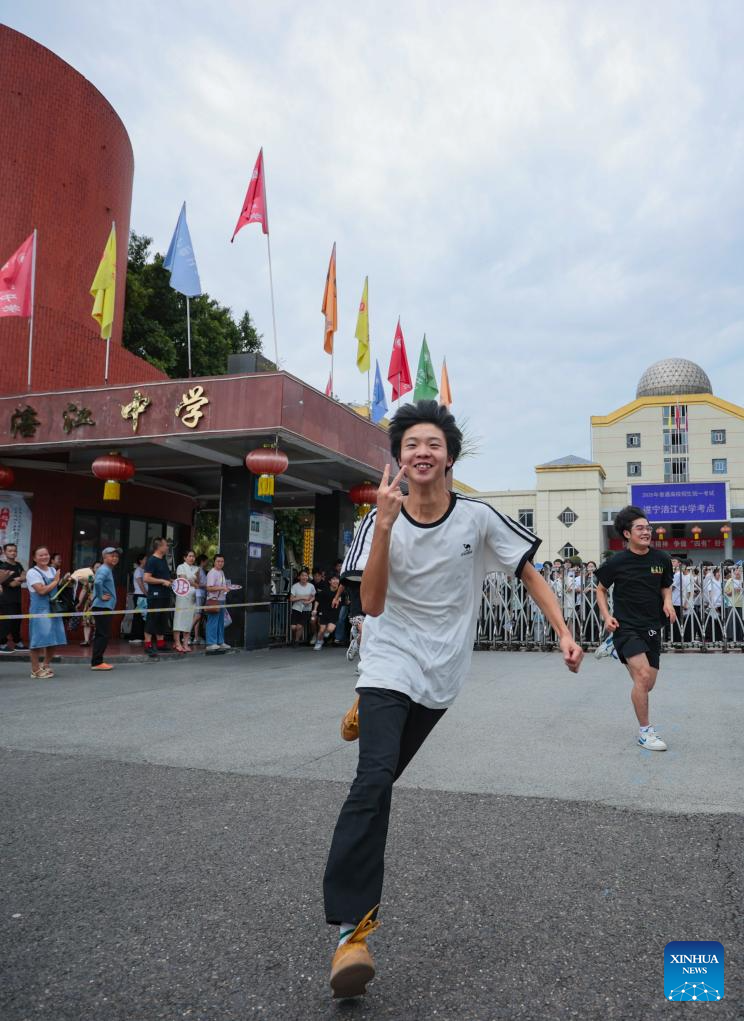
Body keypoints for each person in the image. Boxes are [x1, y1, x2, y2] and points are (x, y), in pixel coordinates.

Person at [323, 400, 583, 1000]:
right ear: (399, 457)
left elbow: (528, 572)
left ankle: (370, 714)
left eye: (433, 444)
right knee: (373, 781)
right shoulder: (376, 520)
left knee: (383, 773)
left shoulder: (477, 517)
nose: (422, 452)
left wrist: (563, 631)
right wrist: (383, 526)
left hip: (442, 673)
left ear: (449, 458)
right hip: (388, 659)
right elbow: (371, 605)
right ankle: (351, 932)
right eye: (411, 444)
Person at [595, 506, 675, 752]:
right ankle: (645, 733)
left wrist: (668, 601)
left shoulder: (661, 559)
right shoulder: (616, 562)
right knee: (641, 677)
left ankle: (614, 649)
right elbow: (600, 589)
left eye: (648, 527)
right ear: (627, 534)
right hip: (626, 626)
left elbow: (666, 586)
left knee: (648, 684)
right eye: (640, 528)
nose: (646, 532)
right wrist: (607, 616)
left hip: (652, 626)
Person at [26, 546, 68, 678]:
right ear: (34, 558)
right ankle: (35, 670)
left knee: (53, 638)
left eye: (46, 554)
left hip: (53, 608)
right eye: (41, 555)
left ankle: (45, 664)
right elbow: (41, 590)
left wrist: (65, 581)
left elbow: (55, 587)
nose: (44, 557)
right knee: (37, 640)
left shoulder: (52, 569)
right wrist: (56, 581)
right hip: (40, 609)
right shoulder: (32, 572)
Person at [90, 546, 119, 670]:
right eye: (112, 555)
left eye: (116, 556)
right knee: (103, 634)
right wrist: (100, 595)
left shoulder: (106, 569)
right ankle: (97, 662)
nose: (115, 558)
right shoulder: (104, 569)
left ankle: (97, 661)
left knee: (101, 634)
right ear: (104, 557)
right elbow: (97, 582)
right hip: (102, 606)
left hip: (103, 606)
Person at [143, 537, 172, 659]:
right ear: (159, 547)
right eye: (165, 545)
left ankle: (160, 643)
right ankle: (148, 645)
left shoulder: (163, 560)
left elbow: (164, 577)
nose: (167, 547)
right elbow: (146, 578)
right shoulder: (152, 560)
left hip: (165, 594)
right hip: (155, 595)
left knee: (162, 619)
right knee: (152, 618)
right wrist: (162, 581)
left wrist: (171, 581)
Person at [0, 542, 26, 652]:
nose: (13, 553)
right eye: (10, 551)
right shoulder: (3, 567)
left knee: (17, 621)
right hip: (6, 599)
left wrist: (19, 578)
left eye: (14, 551)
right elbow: (12, 584)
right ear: (5, 552)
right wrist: (20, 579)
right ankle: (1, 644)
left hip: (17, 599)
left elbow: (25, 575)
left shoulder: (18, 565)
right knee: (7, 622)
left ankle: (18, 642)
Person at [173, 550, 199, 652]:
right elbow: (184, 580)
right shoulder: (181, 567)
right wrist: (194, 583)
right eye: (189, 556)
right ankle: (177, 643)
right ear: (185, 557)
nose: (192, 558)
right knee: (179, 619)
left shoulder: (196, 568)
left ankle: (185, 643)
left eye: (193, 556)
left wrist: (194, 583)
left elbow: (198, 582)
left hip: (192, 596)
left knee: (188, 621)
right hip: (182, 596)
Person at [205, 553, 231, 652]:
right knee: (213, 622)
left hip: (221, 599)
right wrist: (222, 588)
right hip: (214, 600)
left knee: (220, 622)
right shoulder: (212, 573)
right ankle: (211, 643)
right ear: (214, 562)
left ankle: (220, 642)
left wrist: (226, 588)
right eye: (218, 561)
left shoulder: (221, 572)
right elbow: (209, 588)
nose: (220, 563)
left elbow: (222, 586)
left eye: (222, 561)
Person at [313, 575, 341, 649]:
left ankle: (325, 634)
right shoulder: (324, 591)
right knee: (322, 630)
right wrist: (315, 609)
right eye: (333, 579)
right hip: (324, 612)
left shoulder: (341, 592)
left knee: (330, 629)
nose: (335, 581)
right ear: (329, 581)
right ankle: (319, 642)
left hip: (334, 614)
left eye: (337, 579)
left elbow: (346, 602)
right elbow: (317, 600)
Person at [76, 562, 101, 647]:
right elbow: (84, 590)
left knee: (99, 622)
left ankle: (98, 640)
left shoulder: (104, 577)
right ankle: (86, 640)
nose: (98, 569)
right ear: (93, 569)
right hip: (89, 602)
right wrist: (79, 602)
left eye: (100, 567)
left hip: (100, 602)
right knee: (87, 621)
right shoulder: (90, 578)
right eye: (97, 567)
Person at [290, 569, 315, 644]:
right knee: (293, 627)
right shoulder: (295, 586)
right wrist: (302, 597)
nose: (304, 577)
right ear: (299, 577)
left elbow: (313, 597)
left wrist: (309, 601)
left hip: (307, 609)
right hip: (296, 608)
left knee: (300, 626)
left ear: (308, 577)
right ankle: (294, 637)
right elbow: (291, 599)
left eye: (306, 576)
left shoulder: (311, 586)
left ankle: (296, 641)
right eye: (302, 575)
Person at [129, 553, 148, 644]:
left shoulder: (145, 570)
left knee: (144, 617)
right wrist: (146, 594)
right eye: (145, 559)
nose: (147, 561)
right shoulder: (138, 571)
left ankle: (141, 635)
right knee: (138, 616)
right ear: (140, 560)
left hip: (144, 595)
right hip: (140, 595)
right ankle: (135, 637)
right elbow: (141, 584)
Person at [191, 554, 209, 646]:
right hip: (199, 594)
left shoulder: (202, 570)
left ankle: (196, 637)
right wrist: (206, 586)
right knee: (198, 615)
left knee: (198, 615)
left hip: (202, 594)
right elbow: (196, 583)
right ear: (202, 561)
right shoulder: (198, 570)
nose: (207, 563)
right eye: (206, 561)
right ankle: (186, 632)